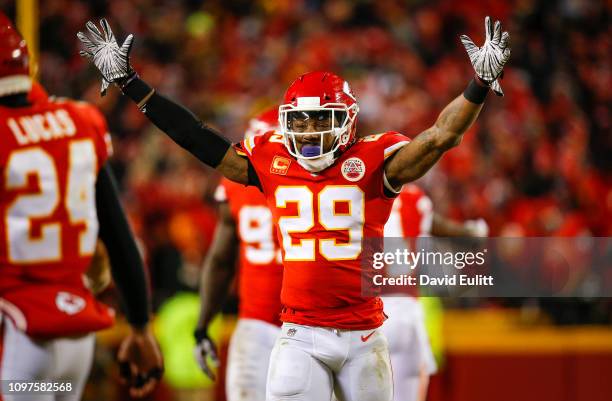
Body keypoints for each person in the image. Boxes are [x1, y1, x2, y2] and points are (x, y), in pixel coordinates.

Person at [78, 16, 510, 401]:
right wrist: (131, 83)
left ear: (347, 120)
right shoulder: (271, 159)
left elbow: (440, 136)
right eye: (299, 121)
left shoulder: (375, 162)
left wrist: (479, 85)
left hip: (366, 336)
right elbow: (196, 136)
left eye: (321, 119)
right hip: (301, 335)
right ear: (284, 122)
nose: (308, 131)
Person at [0, 13, 162, 400]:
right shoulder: (77, 121)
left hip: (18, 331)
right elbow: (117, 231)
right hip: (75, 336)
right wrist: (140, 324)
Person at [194, 107, 284, 400]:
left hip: (272, 326)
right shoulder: (322, 186)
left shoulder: (235, 185)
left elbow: (221, 262)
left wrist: (203, 324)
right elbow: (220, 261)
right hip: (295, 324)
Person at [382, 184, 488, 401]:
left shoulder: (354, 190)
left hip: (365, 315)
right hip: (406, 314)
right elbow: (446, 231)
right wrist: (473, 232)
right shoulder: (413, 197)